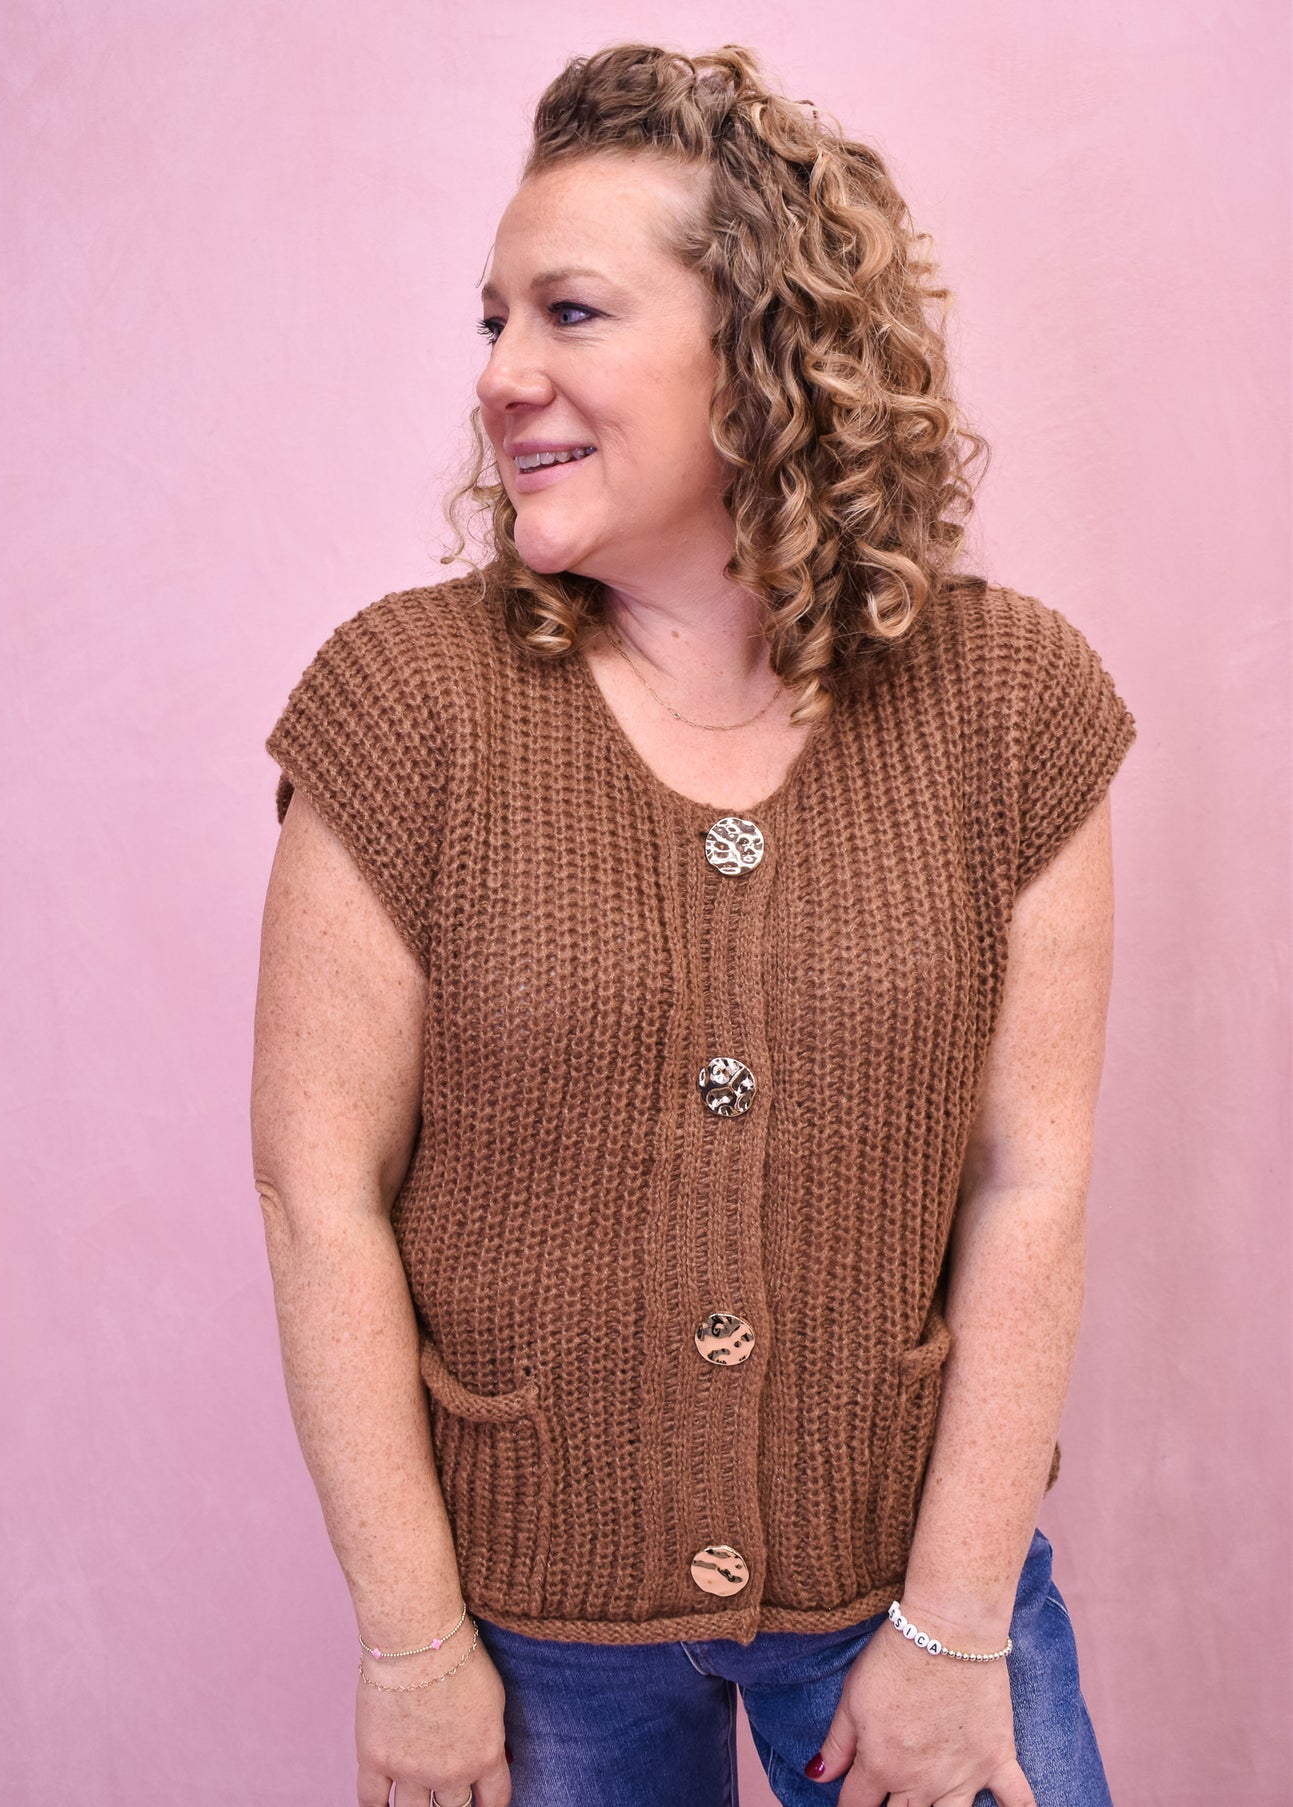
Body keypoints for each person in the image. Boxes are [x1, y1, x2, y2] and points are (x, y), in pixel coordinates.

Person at [250, 40, 1137, 1807]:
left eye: (566, 314)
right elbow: (316, 1189)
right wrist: (414, 1648)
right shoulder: (402, 704)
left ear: (761, 348)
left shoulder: (1008, 703)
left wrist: (957, 1628)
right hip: (525, 1629)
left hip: (910, 1588)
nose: (501, 377)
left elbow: (1027, 1178)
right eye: (488, 324)